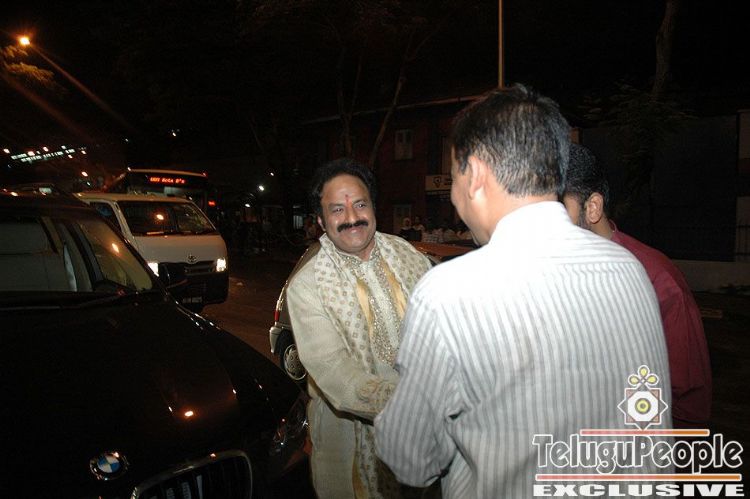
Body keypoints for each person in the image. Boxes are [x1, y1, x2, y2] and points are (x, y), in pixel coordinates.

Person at [375, 84, 671, 498]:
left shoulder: (449, 293)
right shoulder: (628, 269)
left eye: (455, 177)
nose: (454, 197)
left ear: (476, 176)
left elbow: (410, 459)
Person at [286, 158, 432, 498]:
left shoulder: (411, 257)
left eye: (360, 204)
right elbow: (335, 373)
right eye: (337, 209)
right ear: (320, 221)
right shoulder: (307, 286)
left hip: (425, 439)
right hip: (349, 439)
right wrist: (418, 401)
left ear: (374, 207)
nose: (352, 217)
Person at [562, 143, 712, 428]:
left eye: (557, 212)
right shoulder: (552, 272)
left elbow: (686, 399)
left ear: (592, 207)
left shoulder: (657, 279)